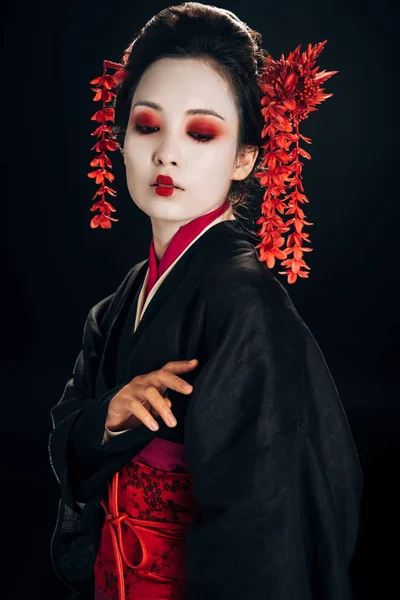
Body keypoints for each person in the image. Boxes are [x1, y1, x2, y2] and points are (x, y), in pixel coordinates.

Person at [48, 3, 364, 599]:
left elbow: (266, 524)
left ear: (245, 157)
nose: (168, 153)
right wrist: (111, 412)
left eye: (200, 132)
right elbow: (67, 433)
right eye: (147, 125)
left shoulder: (246, 305)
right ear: (119, 140)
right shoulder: (117, 305)